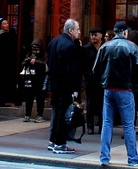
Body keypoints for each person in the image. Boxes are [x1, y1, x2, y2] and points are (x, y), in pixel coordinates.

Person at [94, 21, 138, 167]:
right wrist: (134, 86)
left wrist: (103, 83)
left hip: (109, 88)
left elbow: (96, 70)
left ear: (115, 32)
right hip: (125, 89)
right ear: (125, 32)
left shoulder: (104, 46)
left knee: (107, 123)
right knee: (128, 125)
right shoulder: (131, 46)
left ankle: (104, 157)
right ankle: (133, 159)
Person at [46, 18, 82, 155]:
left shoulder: (53, 42)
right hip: (65, 85)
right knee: (63, 115)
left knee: (57, 114)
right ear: (70, 30)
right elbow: (72, 70)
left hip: (55, 84)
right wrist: (75, 89)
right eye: (77, 29)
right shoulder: (70, 46)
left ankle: (52, 140)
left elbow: (49, 62)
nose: (79, 32)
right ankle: (59, 143)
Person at [0, 18, 18, 106]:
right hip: (4, 62)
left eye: (7, 23)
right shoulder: (4, 35)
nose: (7, 25)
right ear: (1, 26)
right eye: (5, 24)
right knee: (2, 82)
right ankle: (0, 100)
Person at [83, 27, 104, 133]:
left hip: (102, 80)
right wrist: (88, 75)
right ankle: (90, 126)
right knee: (90, 103)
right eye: (91, 35)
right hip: (90, 80)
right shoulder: (86, 49)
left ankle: (101, 125)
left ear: (101, 36)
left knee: (102, 103)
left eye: (95, 35)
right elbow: (83, 66)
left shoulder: (105, 48)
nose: (93, 37)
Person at [20, 39, 48, 122]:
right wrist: (28, 61)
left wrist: (36, 62)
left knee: (40, 98)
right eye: (34, 50)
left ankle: (40, 115)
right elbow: (22, 64)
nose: (35, 52)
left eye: (37, 50)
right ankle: (27, 115)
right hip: (31, 78)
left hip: (40, 78)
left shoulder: (44, 55)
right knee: (29, 97)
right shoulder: (29, 55)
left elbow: (45, 65)